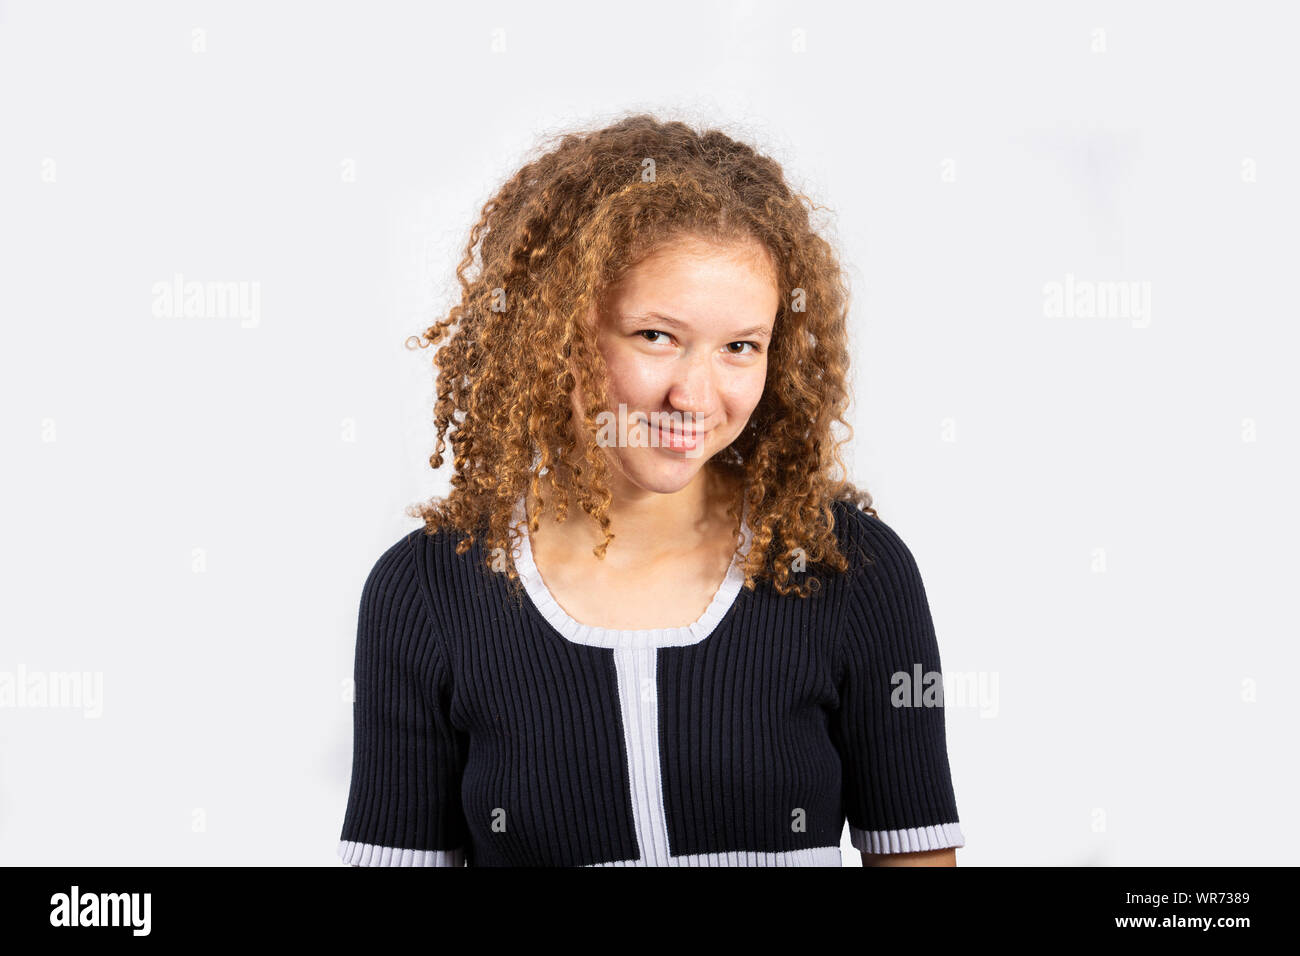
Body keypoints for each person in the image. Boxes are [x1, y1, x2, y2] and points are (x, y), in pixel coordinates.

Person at [336, 114, 965, 866]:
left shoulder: (849, 569)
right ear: (559, 333)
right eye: (656, 337)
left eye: (741, 347)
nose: (693, 396)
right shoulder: (426, 591)